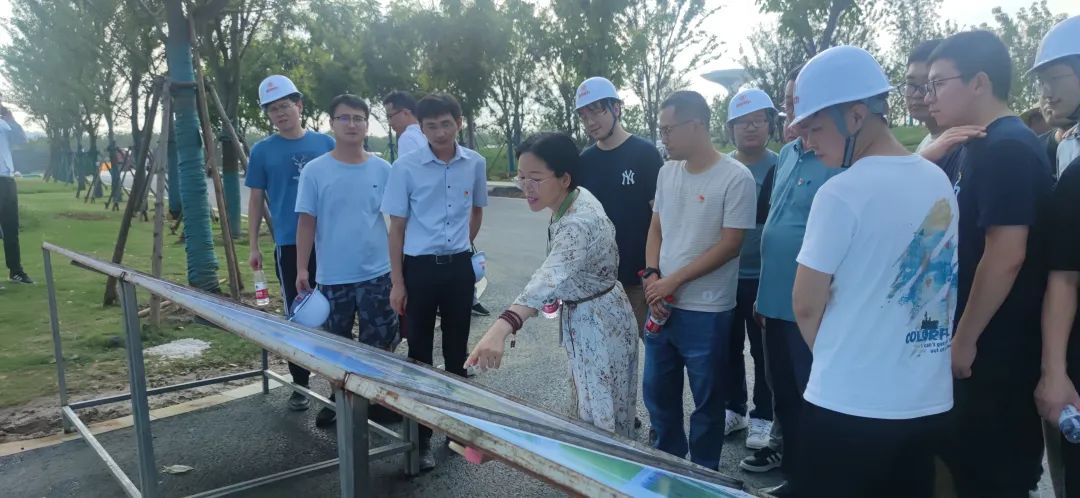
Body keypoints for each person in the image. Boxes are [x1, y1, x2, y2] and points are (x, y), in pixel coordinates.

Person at [786, 45, 958, 498]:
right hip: (926, 401)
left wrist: (843, 359)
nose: (808, 142)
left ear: (856, 116)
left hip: (848, 405)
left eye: (815, 128)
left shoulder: (840, 193)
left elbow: (805, 305)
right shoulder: (937, 180)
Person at [926, 30, 1053, 498]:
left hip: (997, 353)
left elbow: (1006, 254)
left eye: (939, 83)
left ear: (979, 82)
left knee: (993, 475)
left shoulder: (1008, 149)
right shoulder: (971, 144)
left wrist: (964, 339)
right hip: (976, 348)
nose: (929, 96)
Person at [466, 132, 639, 437]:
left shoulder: (577, 222)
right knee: (597, 405)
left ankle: (602, 466)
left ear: (564, 178)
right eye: (521, 177)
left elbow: (547, 278)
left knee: (600, 417)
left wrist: (500, 328)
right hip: (596, 312)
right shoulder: (574, 197)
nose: (526, 186)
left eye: (535, 178)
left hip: (598, 322)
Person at [740, 65, 843, 495]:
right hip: (773, 303)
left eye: (796, 101)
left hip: (813, 308)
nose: (789, 109)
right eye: (786, 101)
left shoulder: (838, 158)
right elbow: (776, 227)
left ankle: (818, 483)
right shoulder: (788, 155)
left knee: (813, 397)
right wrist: (763, 296)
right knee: (782, 394)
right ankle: (797, 479)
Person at [642, 90, 756, 470]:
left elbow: (731, 245)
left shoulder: (735, 177)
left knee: (708, 400)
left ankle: (704, 473)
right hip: (662, 303)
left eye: (668, 129)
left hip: (707, 310)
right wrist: (653, 275)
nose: (663, 138)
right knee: (658, 392)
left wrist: (673, 281)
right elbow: (656, 228)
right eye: (661, 130)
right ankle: (670, 463)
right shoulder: (667, 172)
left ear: (696, 125)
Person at [381, 93, 487, 470]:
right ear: (421, 128)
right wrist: (398, 282)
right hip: (419, 270)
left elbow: (476, 211)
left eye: (446, 124)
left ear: (458, 122)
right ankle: (421, 438)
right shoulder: (405, 167)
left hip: (458, 269)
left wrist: (461, 245)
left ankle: (456, 430)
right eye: (431, 126)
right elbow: (397, 228)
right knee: (419, 355)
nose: (440, 132)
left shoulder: (474, 163)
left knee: (457, 353)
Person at [294, 94, 400, 428]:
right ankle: (339, 399)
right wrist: (301, 267)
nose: (352, 124)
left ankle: (377, 401)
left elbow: (398, 222)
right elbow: (306, 222)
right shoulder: (315, 171)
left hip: (377, 273)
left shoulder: (384, 169)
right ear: (332, 123)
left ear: (367, 125)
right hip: (333, 276)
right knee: (335, 344)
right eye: (344, 118)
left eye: (358, 118)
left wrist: (400, 272)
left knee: (379, 342)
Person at [245, 75, 335, 412]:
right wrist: (253, 246)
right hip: (289, 245)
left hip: (330, 242)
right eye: (273, 109)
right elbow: (256, 200)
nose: (280, 114)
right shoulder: (262, 151)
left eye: (285, 106)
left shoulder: (325, 143)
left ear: (299, 105)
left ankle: (338, 387)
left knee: (335, 312)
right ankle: (300, 384)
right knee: (298, 314)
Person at [1031, 14, 1080, 496]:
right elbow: (1062, 276)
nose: (1046, 92)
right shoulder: (1046, 150)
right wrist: (1055, 369)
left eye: (1055, 78)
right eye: (1041, 81)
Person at [574, 77, 663, 334]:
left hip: (641, 279)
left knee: (655, 347)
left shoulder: (645, 154)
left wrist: (655, 271)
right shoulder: (586, 161)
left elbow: (661, 218)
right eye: (584, 116)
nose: (591, 122)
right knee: (609, 352)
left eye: (597, 111)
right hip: (601, 282)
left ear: (616, 108)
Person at [723, 88, 779, 450]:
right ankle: (734, 409)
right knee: (728, 347)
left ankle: (764, 416)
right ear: (730, 129)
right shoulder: (723, 168)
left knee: (763, 352)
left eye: (758, 120)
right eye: (742, 122)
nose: (751, 127)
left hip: (766, 277)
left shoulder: (783, 165)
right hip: (727, 275)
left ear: (770, 124)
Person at [0, 92, 30, 285]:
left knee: (11, 228)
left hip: (7, 179)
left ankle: (16, 271)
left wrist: (10, 118)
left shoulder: (4, 124)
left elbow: (22, 139)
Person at [382, 91, 427, 161]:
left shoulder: (407, 138)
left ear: (405, 112)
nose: (389, 123)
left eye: (390, 116)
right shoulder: (427, 134)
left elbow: (408, 167)